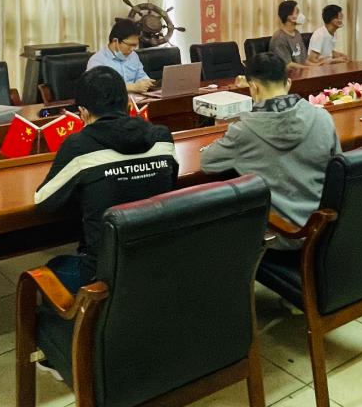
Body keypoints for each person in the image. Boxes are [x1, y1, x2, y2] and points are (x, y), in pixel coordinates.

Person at [34, 67, 177, 293]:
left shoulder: (79, 146)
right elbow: (170, 184)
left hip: (102, 274)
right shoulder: (162, 138)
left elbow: (44, 202)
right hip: (157, 263)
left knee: (52, 268)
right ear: (128, 104)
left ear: (83, 112)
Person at [200, 52, 340, 250]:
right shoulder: (323, 117)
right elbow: (338, 171)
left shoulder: (243, 131)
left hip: (279, 238)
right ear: (288, 83)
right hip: (323, 231)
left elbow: (207, 162)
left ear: (254, 87)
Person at [85, 17, 154, 93]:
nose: (132, 49)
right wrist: (132, 87)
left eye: (135, 45)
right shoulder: (97, 61)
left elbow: (141, 76)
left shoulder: (133, 56)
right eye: (130, 45)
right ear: (115, 41)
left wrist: (147, 82)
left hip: (137, 98)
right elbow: (97, 88)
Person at [270, 0, 309, 73]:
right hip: (289, 76)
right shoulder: (279, 38)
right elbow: (289, 66)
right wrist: (309, 69)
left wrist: (318, 65)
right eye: (297, 12)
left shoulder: (297, 33)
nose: (300, 15)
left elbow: (304, 60)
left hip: (302, 73)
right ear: (289, 17)